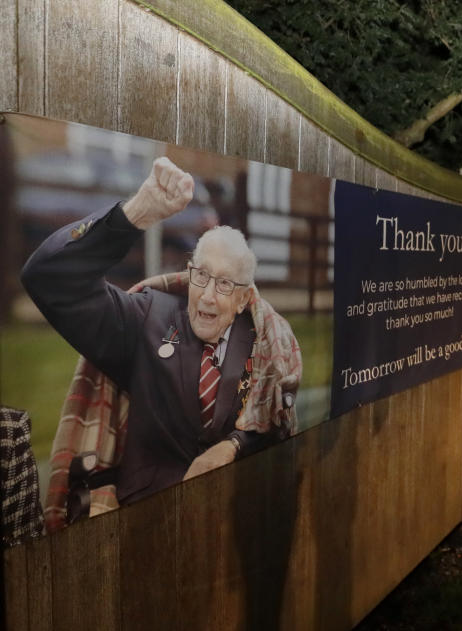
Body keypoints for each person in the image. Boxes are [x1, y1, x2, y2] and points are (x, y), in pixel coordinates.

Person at [21, 157, 300, 513]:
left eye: (226, 283)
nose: (209, 295)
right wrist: (136, 213)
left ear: (245, 297)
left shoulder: (264, 340)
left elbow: (277, 425)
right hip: (147, 520)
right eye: (202, 275)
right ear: (189, 272)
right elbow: (48, 277)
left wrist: (234, 444)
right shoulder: (148, 318)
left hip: (234, 520)